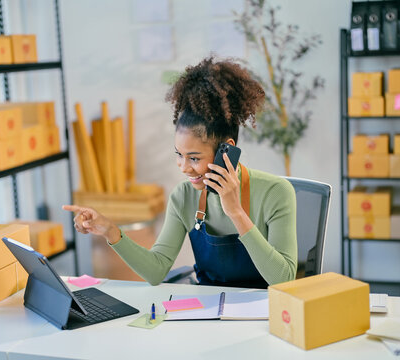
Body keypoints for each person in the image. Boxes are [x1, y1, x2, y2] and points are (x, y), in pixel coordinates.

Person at [63, 57, 297, 289]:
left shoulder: (276, 192)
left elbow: (284, 279)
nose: (184, 167)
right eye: (179, 154)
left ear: (227, 149)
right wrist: (110, 231)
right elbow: (156, 271)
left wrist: (236, 212)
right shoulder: (183, 196)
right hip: (208, 311)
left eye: (194, 158)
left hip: (264, 316)